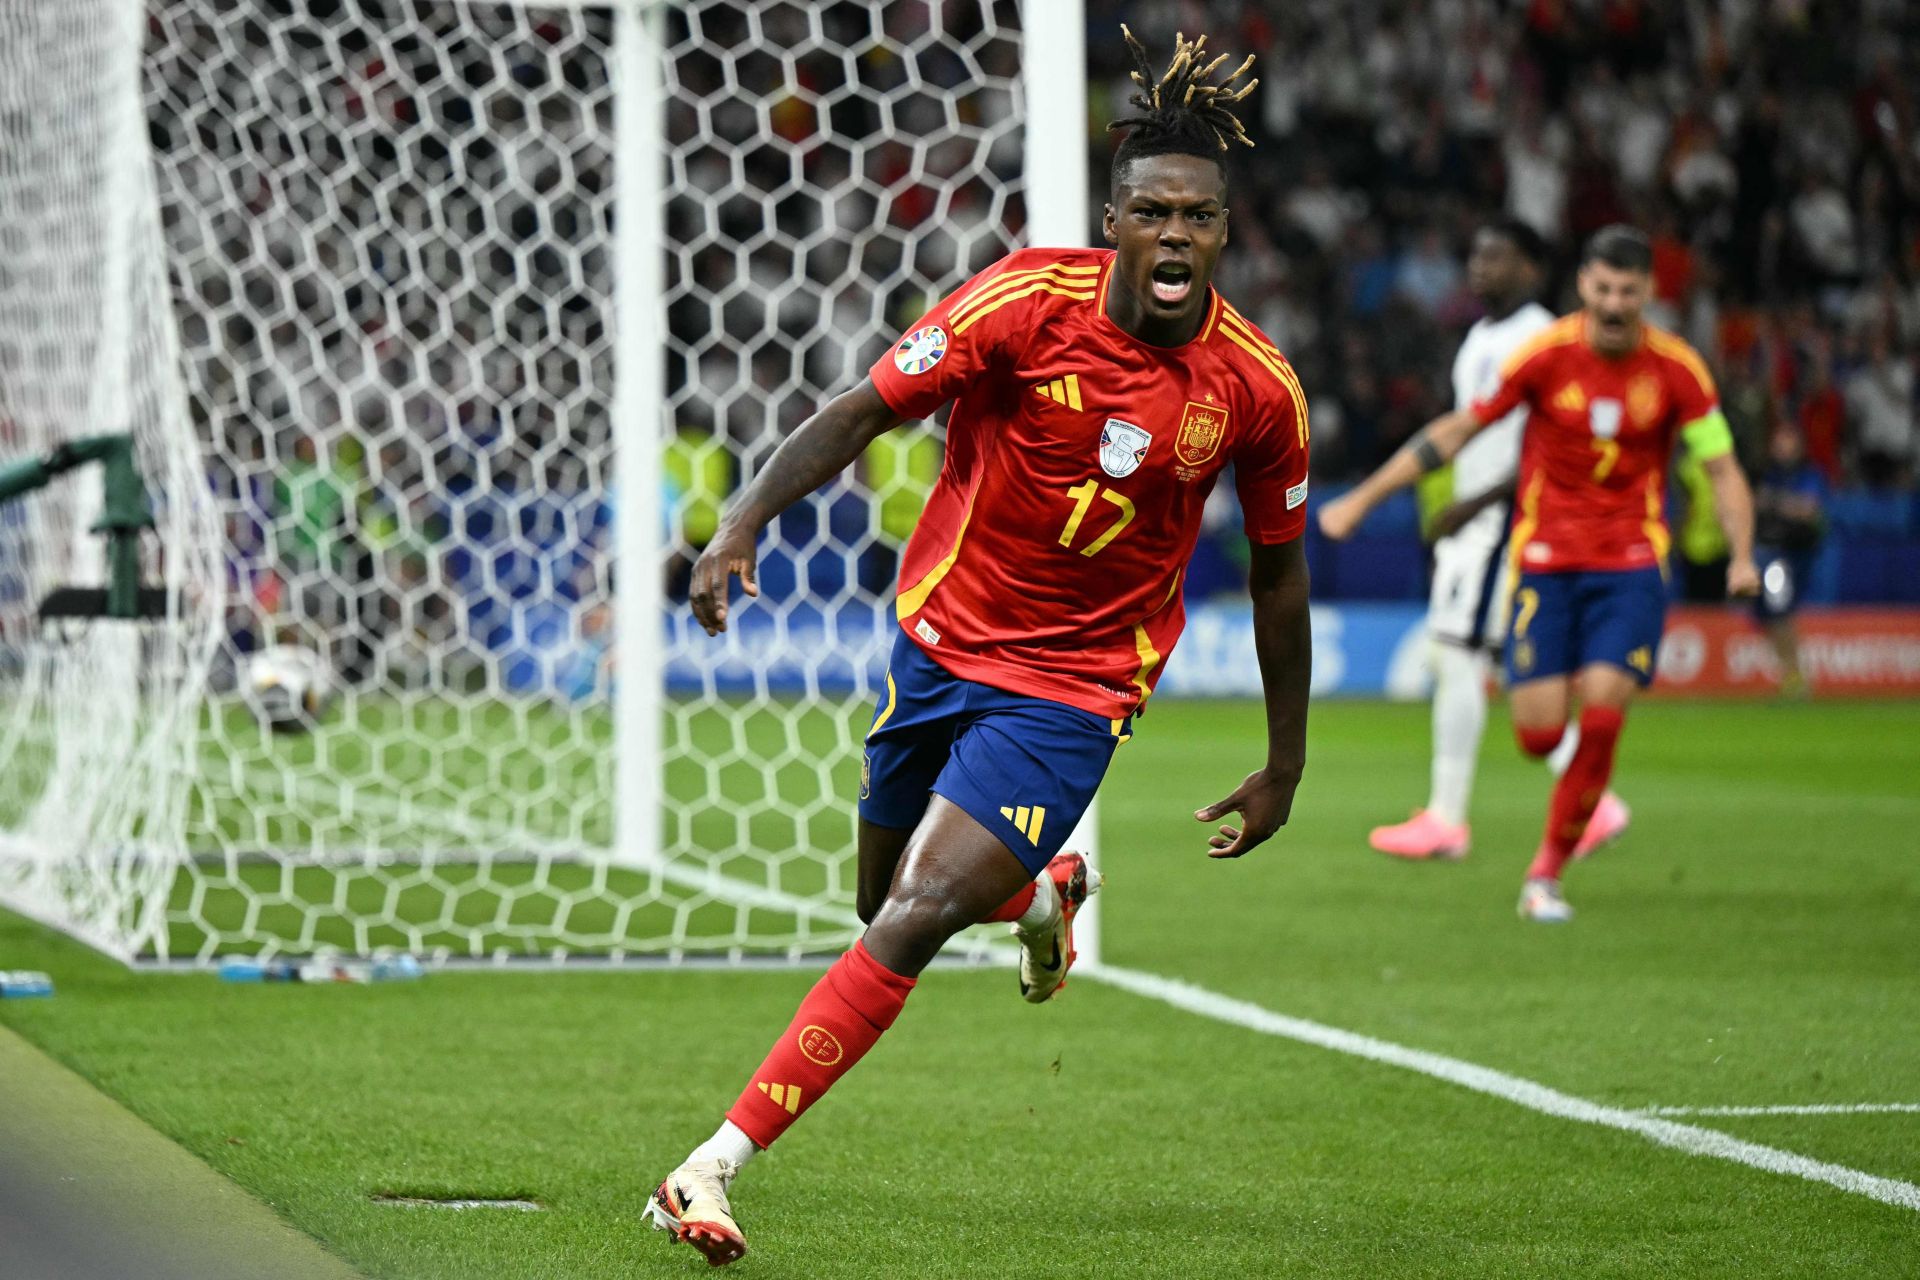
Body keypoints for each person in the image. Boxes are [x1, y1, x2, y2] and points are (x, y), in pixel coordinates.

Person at [648, 28, 1313, 1265]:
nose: (1175, 236)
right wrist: (742, 520)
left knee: (909, 913)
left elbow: (1279, 574)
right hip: (941, 642)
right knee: (882, 900)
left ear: (1226, 232)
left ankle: (710, 1162)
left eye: (1199, 217)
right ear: (1114, 221)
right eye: (1153, 213)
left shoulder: (1258, 388)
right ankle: (1041, 891)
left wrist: (1288, 760)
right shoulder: (1022, 303)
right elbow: (860, 409)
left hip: (1074, 686)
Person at [1320, 225, 1758, 923]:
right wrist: (1364, 499)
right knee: (1538, 735)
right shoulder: (1545, 356)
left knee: (1604, 712)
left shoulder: (1678, 370)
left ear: (1648, 292)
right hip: (1546, 565)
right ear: (1583, 285)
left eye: (1629, 291)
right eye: (1603, 288)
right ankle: (1585, 804)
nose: (1614, 304)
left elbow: (1722, 467)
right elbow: (1460, 429)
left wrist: (1741, 555)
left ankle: (1545, 874)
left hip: (1631, 565)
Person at [1366, 218, 1628, 863]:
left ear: (1532, 269)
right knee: (1500, 664)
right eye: (1477, 255)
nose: (1480, 266)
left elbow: (1550, 442)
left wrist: (1477, 505)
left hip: (1503, 523)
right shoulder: (1484, 336)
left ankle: (1448, 819)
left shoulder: (1539, 337)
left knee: (1458, 654)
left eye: (1498, 257)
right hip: (1487, 522)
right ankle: (1592, 800)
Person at [1751, 421, 1827, 695]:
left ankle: (1795, 675)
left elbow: (1808, 508)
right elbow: (1755, 502)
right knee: (1770, 613)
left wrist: (1773, 502)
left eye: (1788, 440)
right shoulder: (1769, 474)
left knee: (1780, 612)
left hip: (1795, 555)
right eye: (1778, 440)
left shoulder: (1808, 474)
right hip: (1769, 553)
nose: (1781, 446)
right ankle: (1790, 674)